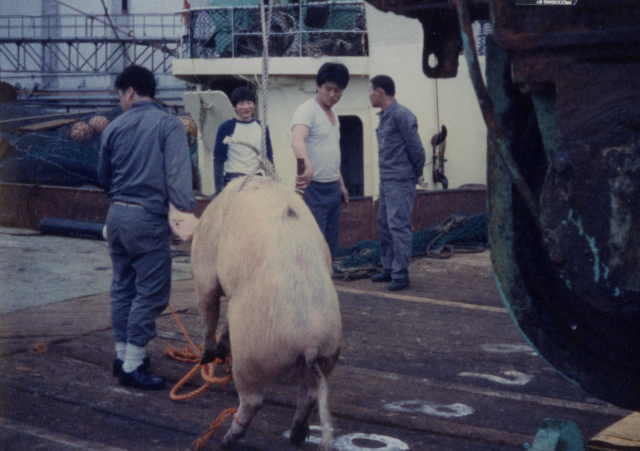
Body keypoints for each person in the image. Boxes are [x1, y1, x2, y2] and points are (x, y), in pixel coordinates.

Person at [99, 65, 196, 390]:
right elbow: (179, 183)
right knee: (152, 292)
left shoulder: (113, 127)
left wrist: (120, 202)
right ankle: (132, 365)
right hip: (147, 220)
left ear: (129, 92)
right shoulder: (169, 125)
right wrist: (185, 215)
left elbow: (103, 177)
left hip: (116, 217)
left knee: (123, 287)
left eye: (119, 94)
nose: (120, 99)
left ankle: (123, 355)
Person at [368, 75, 426, 291]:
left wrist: (415, 174)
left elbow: (417, 150)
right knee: (383, 224)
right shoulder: (384, 116)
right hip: (387, 181)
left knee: (398, 226)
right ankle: (389, 268)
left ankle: (401, 274)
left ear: (380, 92)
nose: (369, 95)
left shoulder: (401, 115)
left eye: (370, 91)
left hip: (400, 181)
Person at [291, 62, 350, 261]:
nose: (332, 94)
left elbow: (333, 153)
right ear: (317, 86)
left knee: (329, 245)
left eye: (338, 90)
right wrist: (306, 164)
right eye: (327, 88)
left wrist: (341, 184)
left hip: (333, 189)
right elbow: (297, 140)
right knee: (311, 245)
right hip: (313, 189)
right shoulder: (306, 110)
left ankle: (327, 285)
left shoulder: (335, 116)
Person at [213, 86, 274, 195]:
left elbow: (268, 157)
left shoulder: (262, 127)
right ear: (235, 107)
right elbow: (218, 159)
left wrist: (273, 182)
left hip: (257, 178)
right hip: (234, 179)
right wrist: (219, 190)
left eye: (249, 102)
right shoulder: (226, 127)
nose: (246, 107)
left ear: (254, 105)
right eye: (241, 103)